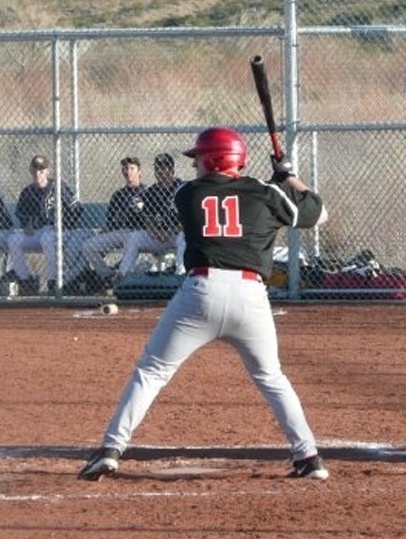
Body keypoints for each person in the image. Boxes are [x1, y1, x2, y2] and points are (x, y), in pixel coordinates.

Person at [79, 127, 330, 481]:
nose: (195, 164)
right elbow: (318, 213)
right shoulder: (266, 192)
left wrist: (273, 184)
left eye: (199, 157)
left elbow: (229, 198)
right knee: (272, 377)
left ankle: (109, 449)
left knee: (151, 371)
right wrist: (289, 177)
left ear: (212, 160)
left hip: (200, 292)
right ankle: (309, 457)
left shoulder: (187, 193)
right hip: (251, 297)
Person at [7, 155, 84, 296]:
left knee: (47, 238)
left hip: (57, 231)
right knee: (13, 240)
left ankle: (53, 280)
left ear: (48, 171)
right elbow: (20, 214)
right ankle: (25, 279)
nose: (38, 173)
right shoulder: (27, 191)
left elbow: (77, 208)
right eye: (35, 170)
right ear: (30, 170)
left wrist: (64, 224)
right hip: (36, 232)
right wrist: (26, 226)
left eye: (41, 170)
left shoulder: (58, 186)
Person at [113, 153, 186, 282]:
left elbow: (190, 217)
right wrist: (156, 232)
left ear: (172, 170)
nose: (160, 172)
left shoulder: (183, 188)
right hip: (157, 235)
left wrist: (172, 230)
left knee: (184, 237)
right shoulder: (151, 191)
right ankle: (123, 276)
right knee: (134, 237)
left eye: (164, 168)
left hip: (176, 234)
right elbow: (147, 218)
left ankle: (180, 276)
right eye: (158, 168)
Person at [79, 156, 148, 288]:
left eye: (132, 168)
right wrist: (102, 233)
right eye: (125, 169)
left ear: (139, 171)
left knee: (131, 239)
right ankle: (108, 277)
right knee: (88, 246)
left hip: (139, 234)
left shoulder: (148, 192)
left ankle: (122, 278)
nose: (128, 172)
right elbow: (110, 222)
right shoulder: (118, 195)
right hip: (119, 232)